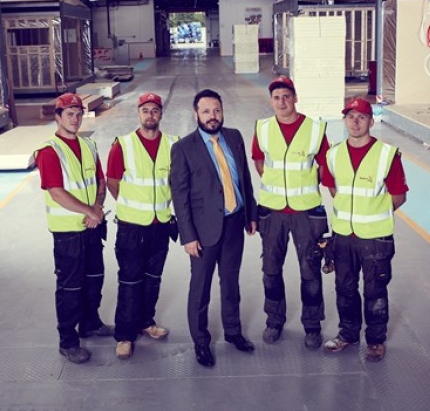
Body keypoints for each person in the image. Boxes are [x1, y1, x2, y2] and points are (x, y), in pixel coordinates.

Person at [170, 89, 258, 367]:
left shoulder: (234, 137)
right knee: (201, 288)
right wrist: (188, 236)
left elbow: (244, 177)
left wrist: (250, 214)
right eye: (206, 111)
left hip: (234, 223)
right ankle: (201, 342)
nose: (213, 116)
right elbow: (180, 196)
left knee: (231, 283)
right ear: (196, 114)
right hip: (204, 230)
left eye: (217, 110)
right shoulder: (184, 147)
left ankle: (233, 332)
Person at [322, 97, 408, 362]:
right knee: (344, 288)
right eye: (350, 116)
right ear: (345, 120)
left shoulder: (386, 155)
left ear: (371, 121)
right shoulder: (333, 153)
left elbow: (399, 195)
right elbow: (333, 188)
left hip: (375, 238)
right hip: (343, 237)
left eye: (361, 116)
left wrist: (372, 214)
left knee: (375, 291)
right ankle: (348, 334)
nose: (355, 121)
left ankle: (375, 341)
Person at [252, 76, 331, 349]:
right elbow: (259, 162)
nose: (282, 102)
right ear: (271, 101)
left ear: (295, 98)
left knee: (310, 270)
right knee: (271, 269)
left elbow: (324, 166)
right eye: (276, 97)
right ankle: (274, 321)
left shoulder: (315, 129)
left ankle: (312, 325)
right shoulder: (262, 128)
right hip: (272, 211)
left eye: (286, 96)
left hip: (306, 212)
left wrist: (303, 187)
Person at [35, 93, 114, 365]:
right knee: (70, 288)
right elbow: (56, 193)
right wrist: (90, 211)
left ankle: (90, 323)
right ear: (58, 117)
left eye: (78, 113)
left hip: (91, 228)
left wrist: (98, 208)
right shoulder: (49, 151)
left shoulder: (89, 145)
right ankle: (68, 342)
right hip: (68, 234)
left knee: (94, 279)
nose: (75, 118)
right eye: (69, 114)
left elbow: (100, 181)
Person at [106, 92, 178, 360]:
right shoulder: (123, 145)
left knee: (152, 279)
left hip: (160, 225)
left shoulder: (173, 144)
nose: (150, 115)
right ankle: (124, 334)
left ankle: (146, 322)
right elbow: (112, 182)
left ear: (161, 114)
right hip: (132, 228)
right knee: (129, 280)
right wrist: (131, 206)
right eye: (145, 110)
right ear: (138, 114)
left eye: (155, 110)